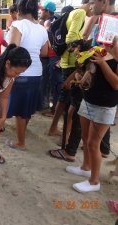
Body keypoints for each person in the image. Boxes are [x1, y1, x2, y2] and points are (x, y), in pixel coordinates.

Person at [65, 0, 118, 193]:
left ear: (104, 2)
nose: (90, 5)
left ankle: (94, 182)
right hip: (90, 96)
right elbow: (90, 64)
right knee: (86, 137)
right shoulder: (99, 30)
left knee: (93, 143)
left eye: (94, 2)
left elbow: (116, 84)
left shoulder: (113, 39)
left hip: (105, 102)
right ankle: (86, 168)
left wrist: (103, 62)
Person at [5, 0, 49, 150]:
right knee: (27, 106)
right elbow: (44, 52)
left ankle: (20, 143)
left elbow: (12, 50)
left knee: (19, 111)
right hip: (36, 73)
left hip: (21, 72)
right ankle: (22, 133)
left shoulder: (18, 25)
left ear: (19, 11)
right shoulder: (42, 28)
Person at [47, 0, 92, 137]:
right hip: (73, 62)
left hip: (67, 60)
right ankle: (66, 137)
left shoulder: (74, 12)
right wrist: (82, 49)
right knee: (73, 101)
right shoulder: (81, 12)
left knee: (64, 97)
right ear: (90, 3)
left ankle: (54, 128)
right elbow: (71, 37)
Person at [39, 1, 57, 109]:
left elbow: (46, 40)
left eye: (42, 10)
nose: (40, 11)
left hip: (48, 56)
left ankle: (43, 103)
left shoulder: (48, 23)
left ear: (47, 12)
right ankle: (45, 102)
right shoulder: (55, 21)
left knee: (44, 81)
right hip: (52, 56)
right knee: (48, 81)